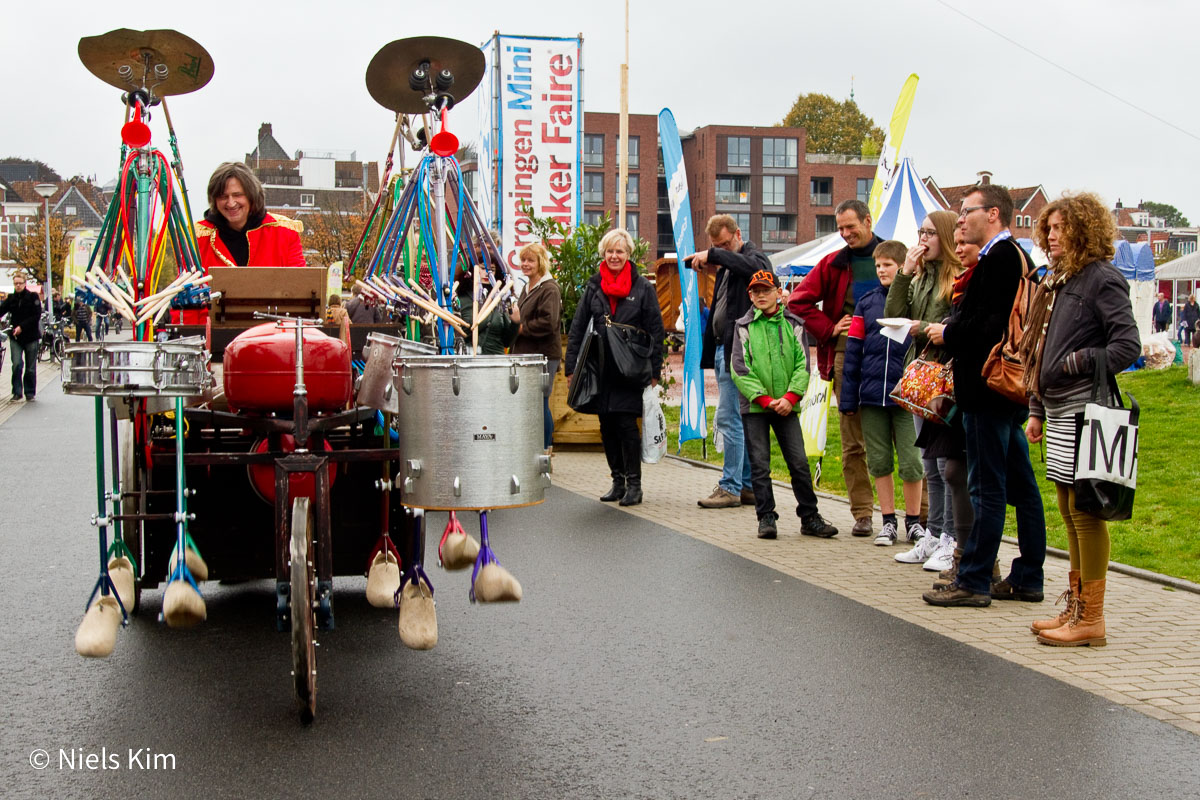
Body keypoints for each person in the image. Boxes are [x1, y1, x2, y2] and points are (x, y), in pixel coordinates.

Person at [1022, 193, 1140, 646]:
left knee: (1087, 511)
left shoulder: (1101, 278)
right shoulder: (1058, 280)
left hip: (1084, 411)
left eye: (1060, 228)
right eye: (1047, 229)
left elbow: (1126, 345)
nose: (1051, 236)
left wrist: (1079, 362)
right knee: (1069, 513)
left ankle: (1091, 617)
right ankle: (1076, 607)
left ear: (1083, 230)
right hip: (1056, 410)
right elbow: (1039, 351)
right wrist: (1036, 409)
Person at [922, 184, 1046, 608]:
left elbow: (986, 326)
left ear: (993, 214)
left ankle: (974, 579)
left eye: (967, 211)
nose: (960, 219)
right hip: (1005, 392)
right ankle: (1028, 575)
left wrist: (947, 331)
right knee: (1023, 488)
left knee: (986, 488)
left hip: (987, 390)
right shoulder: (1017, 257)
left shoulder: (999, 259)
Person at [787, 199, 882, 536]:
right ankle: (863, 514)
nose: (844, 234)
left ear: (867, 221)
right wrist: (828, 328)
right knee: (852, 439)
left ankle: (920, 516)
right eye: (839, 228)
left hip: (891, 357)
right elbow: (797, 301)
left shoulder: (893, 255)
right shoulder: (833, 263)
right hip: (847, 357)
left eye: (850, 227)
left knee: (905, 437)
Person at [887, 211, 968, 571]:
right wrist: (905, 272)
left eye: (931, 233)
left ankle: (950, 539)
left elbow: (950, 324)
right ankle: (934, 534)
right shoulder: (920, 275)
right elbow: (893, 312)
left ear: (947, 237)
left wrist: (921, 327)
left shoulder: (955, 277)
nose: (923, 238)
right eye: (920, 231)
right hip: (919, 377)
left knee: (944, 461)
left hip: (943, 378)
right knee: (929, 463)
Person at [731, 269, 838, 540]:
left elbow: (803, 364)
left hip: (787, 406)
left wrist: (791, 397)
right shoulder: (742, 326)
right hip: (756, 407)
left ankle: (809, 516)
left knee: (798, 462)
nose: (761, 295)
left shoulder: (794, 324)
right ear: (750, 296)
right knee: (759, 464)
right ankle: (766, 516)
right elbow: (739, 368)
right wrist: (765, 399)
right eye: (756, 291)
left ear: (779, 293)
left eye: (766, 290)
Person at [564, 228, 664, 507]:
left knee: (626, 425)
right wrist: (571, 367)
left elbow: (655, 329)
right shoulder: (594, 285)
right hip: (601, 369)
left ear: (628, 254)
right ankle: (617, 481)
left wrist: (655, 371)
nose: (614, 256)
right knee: (606, 426)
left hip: (631, 369)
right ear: (603, 254)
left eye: (619, 251)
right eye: (610, 251)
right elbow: (578, 327)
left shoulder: (643, 287)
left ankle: (635, 484)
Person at [839, 240, 924, 547]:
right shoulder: (866, 303)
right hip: (872, 395)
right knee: (879, 460)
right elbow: (854, 353)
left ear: (903, 266)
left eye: (887, 265)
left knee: (912, 461)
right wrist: (849, 398)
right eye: (877, 266)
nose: (881, 270)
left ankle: (914, 521)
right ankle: (887, 520)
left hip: (906, 397)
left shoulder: (916, 298)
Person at [691, 215, 771, 509]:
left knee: (729, 419)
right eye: (716, 246)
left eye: (725, 244)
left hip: (740, 351)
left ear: (738, 234)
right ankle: (747, 485)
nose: (722, 250)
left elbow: (757, 270)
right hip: (727, 347)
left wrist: (713, 255)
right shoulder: (729, 266)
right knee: (741, 419)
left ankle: (730, 487)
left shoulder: (754, 257)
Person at [195, 162, 305, 268]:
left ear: (251, 196)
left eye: (237, 195)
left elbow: (300, 282)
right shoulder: (196, 238)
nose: (231, 203)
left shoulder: (284, 232)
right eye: (223, 197)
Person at [509, 242, 563, 453]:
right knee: (532, 402)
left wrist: (522, 328)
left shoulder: (549, 289)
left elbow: (549, 322)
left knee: (540, 401)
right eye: (523, 260)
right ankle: (536, 448)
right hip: (528, 354)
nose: (525, 264)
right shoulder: (528, 286)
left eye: (530, 260)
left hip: (544, 356)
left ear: (541, 262)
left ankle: (545, 448)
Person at [455, 265, 517, 354]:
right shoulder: (462, 299)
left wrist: (516, 322)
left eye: (492, 270)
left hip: (496, 361)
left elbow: (507, 342)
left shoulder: (500, 298)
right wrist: (485, 313)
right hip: (470, 359)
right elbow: (460, 334)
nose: (487, 273)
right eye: (483, 268)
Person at [0, 272, 43, 400]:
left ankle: (29, 392)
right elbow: (1, 310)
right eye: (15, 283)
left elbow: (36, 316)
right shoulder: (11, 298)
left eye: (20, 283)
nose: (17, 286)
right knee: (17, 364)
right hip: (16, 338)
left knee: (30, 367)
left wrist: (22, 327)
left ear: (25, 284)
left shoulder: (32, 297)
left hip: (30, 337)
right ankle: (17, 392)